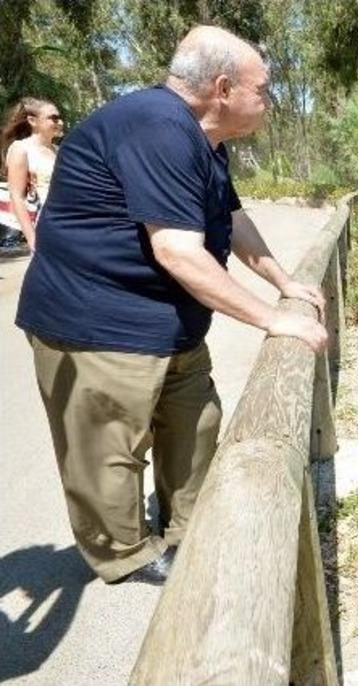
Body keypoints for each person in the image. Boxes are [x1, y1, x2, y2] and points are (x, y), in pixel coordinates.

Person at [15, 26, 328, 585]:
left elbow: (231, 219)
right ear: (224, 88)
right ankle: (125, 556)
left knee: (196, 424)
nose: (271, 101)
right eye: (265, 89)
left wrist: (284, 282)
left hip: (171, 323)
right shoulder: (157, 127)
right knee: (109, 454)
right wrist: (270, 318)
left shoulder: (205, 142)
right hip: (96, 327)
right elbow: (178, 251)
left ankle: (189, 529)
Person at [1, 97, 62, 252]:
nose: (60, 122)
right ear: (32, 121)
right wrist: (32, 239)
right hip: (44, 228)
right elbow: (16, 197)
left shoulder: (59, 150)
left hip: (68, 224)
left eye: (60, 118)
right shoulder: (21, 149)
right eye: (53, 118)